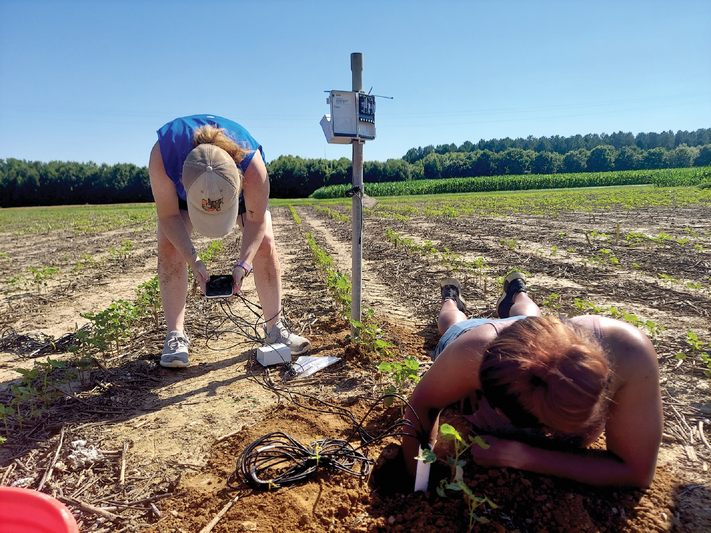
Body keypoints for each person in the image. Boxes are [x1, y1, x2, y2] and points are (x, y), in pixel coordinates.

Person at [402, 273, 662, 488]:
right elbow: (422, 405)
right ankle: (450, 299)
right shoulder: (469, 353)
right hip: (479, 335)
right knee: (452, 325)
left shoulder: (630, 355)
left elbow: (636, 472)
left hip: (535, 330)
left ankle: (517, 294)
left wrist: (525, 457)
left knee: (528, 316)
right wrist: (420, 478)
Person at [149, 114, 311, 368]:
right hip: (185, 194)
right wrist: (195, 262)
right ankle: (175, 336)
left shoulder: (253, 167)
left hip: (240, 185)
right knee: (168, 245)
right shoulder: (164, 153)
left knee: (266, 243)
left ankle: (275, 329)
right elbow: (169, 216)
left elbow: (256, 223)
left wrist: (243, 265)